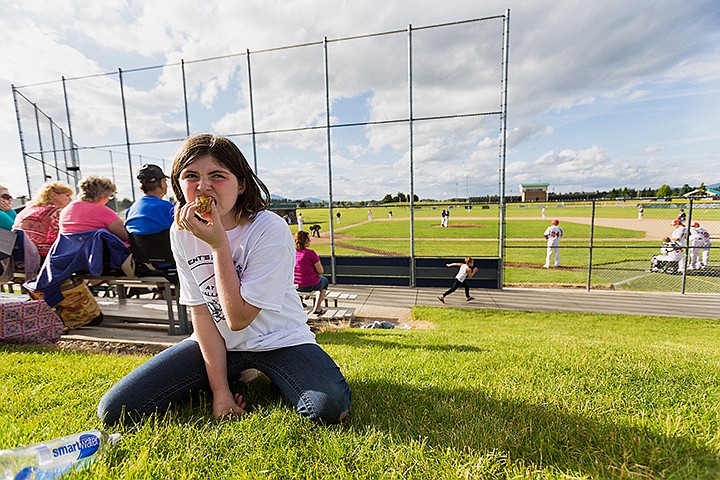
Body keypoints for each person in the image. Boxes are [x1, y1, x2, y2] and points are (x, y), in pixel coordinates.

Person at [98, 134, 351, 426]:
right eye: (191, 176)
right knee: (116, 410)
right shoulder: (181, 231)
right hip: (221, 346)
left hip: (281, 340)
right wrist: (220, 392)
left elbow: (238, 318)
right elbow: (201, 311)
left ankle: (274, 373)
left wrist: (219, 245)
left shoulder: (269, 228)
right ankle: (234, 374)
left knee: (328, 408)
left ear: (241, 184)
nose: (203, 186)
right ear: (179, 185)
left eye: (217, 175)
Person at [12, 181, 73, 259]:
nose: (70, 199)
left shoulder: (28, 209)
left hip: (20, 252)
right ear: (54, 195)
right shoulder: (58, 212)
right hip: (44, 255)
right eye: (67, 195)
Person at [59, 176, 129, 244]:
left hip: (70, 253)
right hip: (96, 253)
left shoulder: (67, 210)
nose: (108, 200)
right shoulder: (101, 211)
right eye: (109, 196)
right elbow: (127, 236)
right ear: (101, 197)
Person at [124, 164, 174, 235]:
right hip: (167, 245)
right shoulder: (169, 208)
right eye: (165, 181)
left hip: (138, 246)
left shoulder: (131, 210)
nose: (166, 184)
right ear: (161, 183)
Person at [294, 230, 329, 315]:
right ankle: (318, 307)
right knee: (324, 281)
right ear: (306, 241)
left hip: (295, 284)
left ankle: (306, 297)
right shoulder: (310, 253)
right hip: (309, 283)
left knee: (310, 279)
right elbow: (320, 271)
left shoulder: (292, 252)